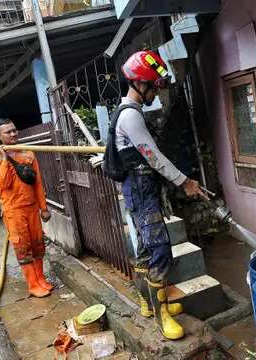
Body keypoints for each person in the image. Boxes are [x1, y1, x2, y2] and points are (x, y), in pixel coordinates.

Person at [104, 50, 208, 340]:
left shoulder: (127, 112)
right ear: (139, 83)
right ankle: (162, 318)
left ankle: (149, 303)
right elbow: (153, 157)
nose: (155, 92)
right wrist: (185, 181)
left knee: (146, 250)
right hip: (140, 190)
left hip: (140, 189)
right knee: (159, 250)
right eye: (153, 86)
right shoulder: (130, 117)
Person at [0, 118, 53, 298]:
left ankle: (41, 279)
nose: (13, 134)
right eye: (8, 132)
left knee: (38, 244)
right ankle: (33, 285)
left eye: (14, 130)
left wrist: (44, 207)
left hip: (32, 207)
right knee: (23, 247)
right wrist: (4, 159)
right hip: (14, 210)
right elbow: (3, 183)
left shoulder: (29, 154)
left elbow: (38, 183)